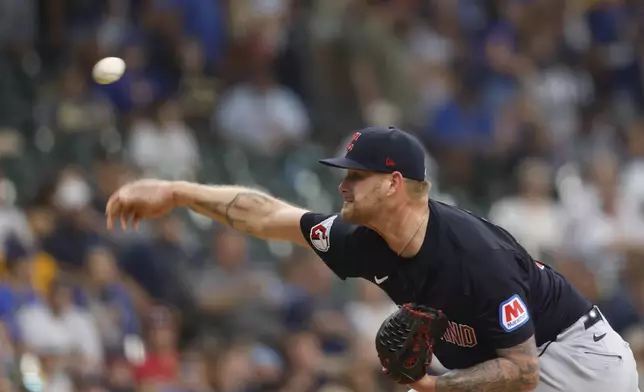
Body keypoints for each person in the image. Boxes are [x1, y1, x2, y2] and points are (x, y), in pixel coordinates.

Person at [105, 127, 639, 392]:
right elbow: (266, 215)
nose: (344, 183)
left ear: (393, 183)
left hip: (574, 361)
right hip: (502, 364)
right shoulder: (356, 239)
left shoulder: (476, 257)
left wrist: (433, 385)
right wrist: (176, 191)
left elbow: (523, 372)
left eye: (356, 175)